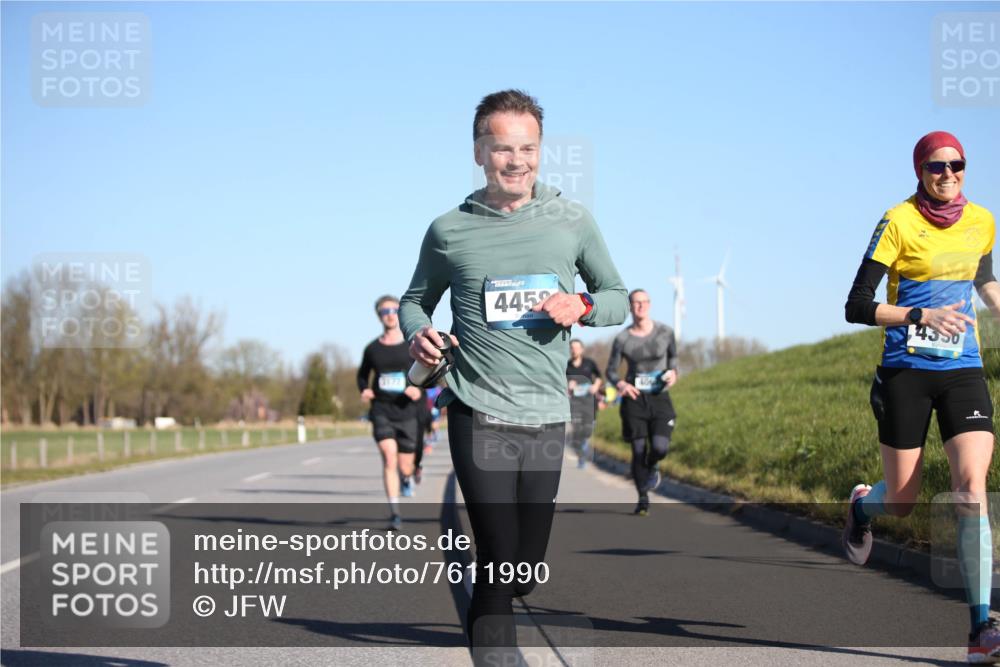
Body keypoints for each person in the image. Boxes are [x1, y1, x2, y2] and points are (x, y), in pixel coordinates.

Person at [399, 89, 627, 660]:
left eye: (528, 148)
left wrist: (584, 307)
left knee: (523, 568)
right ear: (479, 152)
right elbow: (414, 301)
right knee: (498, 562)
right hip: (477, 412)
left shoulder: (571, 221)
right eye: (503, 149)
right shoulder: (449, 230)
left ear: (541, 151)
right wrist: (418, 334)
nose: (517, 161)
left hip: (546, 416)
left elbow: (616, 297)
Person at [842, 131, 999, 663]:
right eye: (937, 166)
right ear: (919, 171)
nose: (948, 174)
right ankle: (863, 507)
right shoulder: (897, 221)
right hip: (905, 370)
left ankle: (981, 629)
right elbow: (857, 305)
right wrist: (918, 315)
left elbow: (984, 279)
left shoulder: (981, 220)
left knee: (970, 489)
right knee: (903, 503)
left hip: (963, 369)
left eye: (957, 164)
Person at [606, 289, 678, 516]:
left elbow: (674, 363)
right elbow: (610, 371)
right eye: (636, 303)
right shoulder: (622, 339)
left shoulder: (666, 332)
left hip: (659, 397)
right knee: (637, 450)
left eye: (644, 302)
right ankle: (643, 498)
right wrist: (622, 385)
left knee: (659, 447)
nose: (640, 307)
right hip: (634, 399)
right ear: (630, 307)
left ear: (649, 304)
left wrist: (673, 374)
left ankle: (653, 463)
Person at [357, 295, 425, 530]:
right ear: (379, 315)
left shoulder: (411, 345)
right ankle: (395, 512)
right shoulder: (372, 349)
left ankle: (408, 476)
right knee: (388, 457)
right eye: (384, 310)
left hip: (406, 411)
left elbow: (426, 372)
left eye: (394, 309)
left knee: (405, 466)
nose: (390, 314)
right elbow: (362, 375)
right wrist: (364, 389)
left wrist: (417, 389)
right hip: (382, 409)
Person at [566, 338, 603, 468]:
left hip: (589, 402)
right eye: (572, 348)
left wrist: (595, 386)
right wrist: (568, 385)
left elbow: (599, 377)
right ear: (570, 350)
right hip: (575, 403)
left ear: (581, 349)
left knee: (587, 430)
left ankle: (583, 445)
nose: (575, 350)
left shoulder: (589, 363)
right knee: (577, 430)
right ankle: (581, 454)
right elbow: (561, 384)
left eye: (577, 347)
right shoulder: (567, 366)